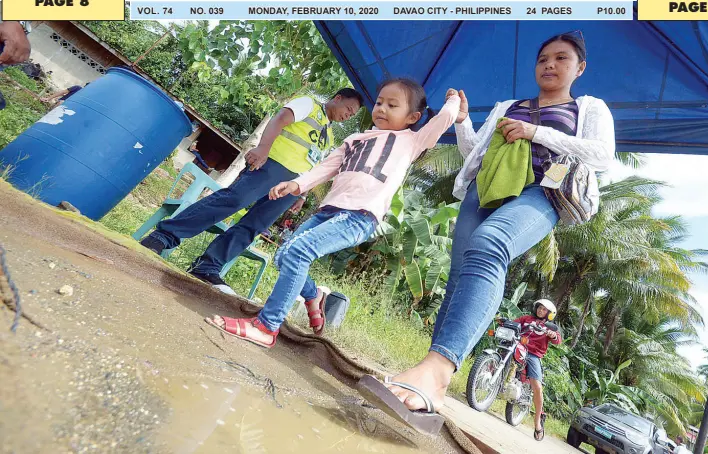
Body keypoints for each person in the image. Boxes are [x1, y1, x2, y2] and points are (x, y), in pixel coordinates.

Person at [355, 31, 615, 435]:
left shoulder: (589, 107)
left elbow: (602, 155)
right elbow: (474, 153)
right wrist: (463, 122)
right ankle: (429, 383)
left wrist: (535, 133)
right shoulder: (509, 106)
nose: (549, 64)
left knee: (491, 245)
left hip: (542, 193)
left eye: (561, 58)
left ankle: (437, 371)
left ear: (579, 68)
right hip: (484, 190)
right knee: (459, 281)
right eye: (543, 57)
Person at [205, 80, 460, 346]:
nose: (382, 108)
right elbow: (326, 167)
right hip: (328, 211)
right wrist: (297, 184)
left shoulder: (412, 141)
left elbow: (444, 119)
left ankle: (267, 327)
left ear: (413, 117)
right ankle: (313, 295)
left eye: (392, 105)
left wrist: (453, 100)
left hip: (359, 216)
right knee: (283, 256)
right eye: (380, 102)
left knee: (298, 252)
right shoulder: (354, 139)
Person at [140, 88, 363, 294]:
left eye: (352, 115)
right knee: (232, 200)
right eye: (349, 109)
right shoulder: (309, 104)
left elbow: (313, 164)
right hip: (271, 164)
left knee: (256, 224)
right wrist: (263, 148)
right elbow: (279, 120)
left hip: (292, 185)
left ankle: (207, 266)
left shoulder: (330, 136)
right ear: (338, 98)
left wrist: (302, 193)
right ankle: (163, 236)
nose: (348, 115)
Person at [513, 299, 561, 440]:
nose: (540, 310)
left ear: (549, 314)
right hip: (519, 346)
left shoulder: (550, 326)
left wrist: (552, 335)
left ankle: (537, 422)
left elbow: (557, 340)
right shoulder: (526, 319)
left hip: (533, 355)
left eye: (544, 309)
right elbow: (514, 322)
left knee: (537, 388)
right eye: (539, 308)